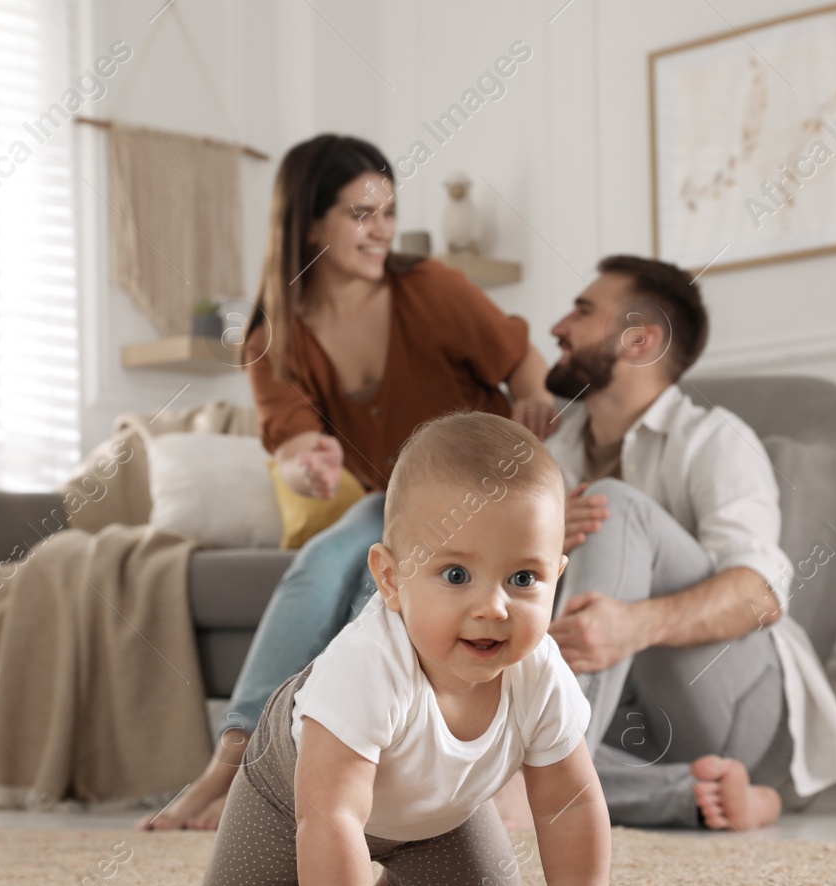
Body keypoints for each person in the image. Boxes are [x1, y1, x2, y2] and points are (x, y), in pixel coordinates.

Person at [139, 135, 557, 830]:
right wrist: (308, 464)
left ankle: (357, 775)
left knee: (380, 591)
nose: (382, 230)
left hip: (483, 502)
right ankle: (235, 760)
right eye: (362, 213)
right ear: (309, 222)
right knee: (317, 565)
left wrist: (538, 397)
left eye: (388, 212)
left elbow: (521, 356)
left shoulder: (431, 289)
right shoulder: (272, 334)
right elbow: (295, 436)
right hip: (394, 504)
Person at [199, 413, 655, 886]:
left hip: (430, 812)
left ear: (557, 577)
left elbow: (571, 800)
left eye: (523, 579)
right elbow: (331, 814)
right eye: (457, 575)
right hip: (297, 790)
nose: (494, 608)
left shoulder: (539, 672)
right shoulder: (365, 666)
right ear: (390, 580)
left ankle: (396, 874)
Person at [515, 254, 836, 831]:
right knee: (477, 735)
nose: (557, 329)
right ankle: (687, 794)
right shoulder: (551, 452)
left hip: (731, 701)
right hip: (628, 725)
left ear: (639, 340)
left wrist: (633, 626)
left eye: (582, 311)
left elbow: (760, 595)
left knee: (616, 505)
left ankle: (539, 773)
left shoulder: (715, 440)